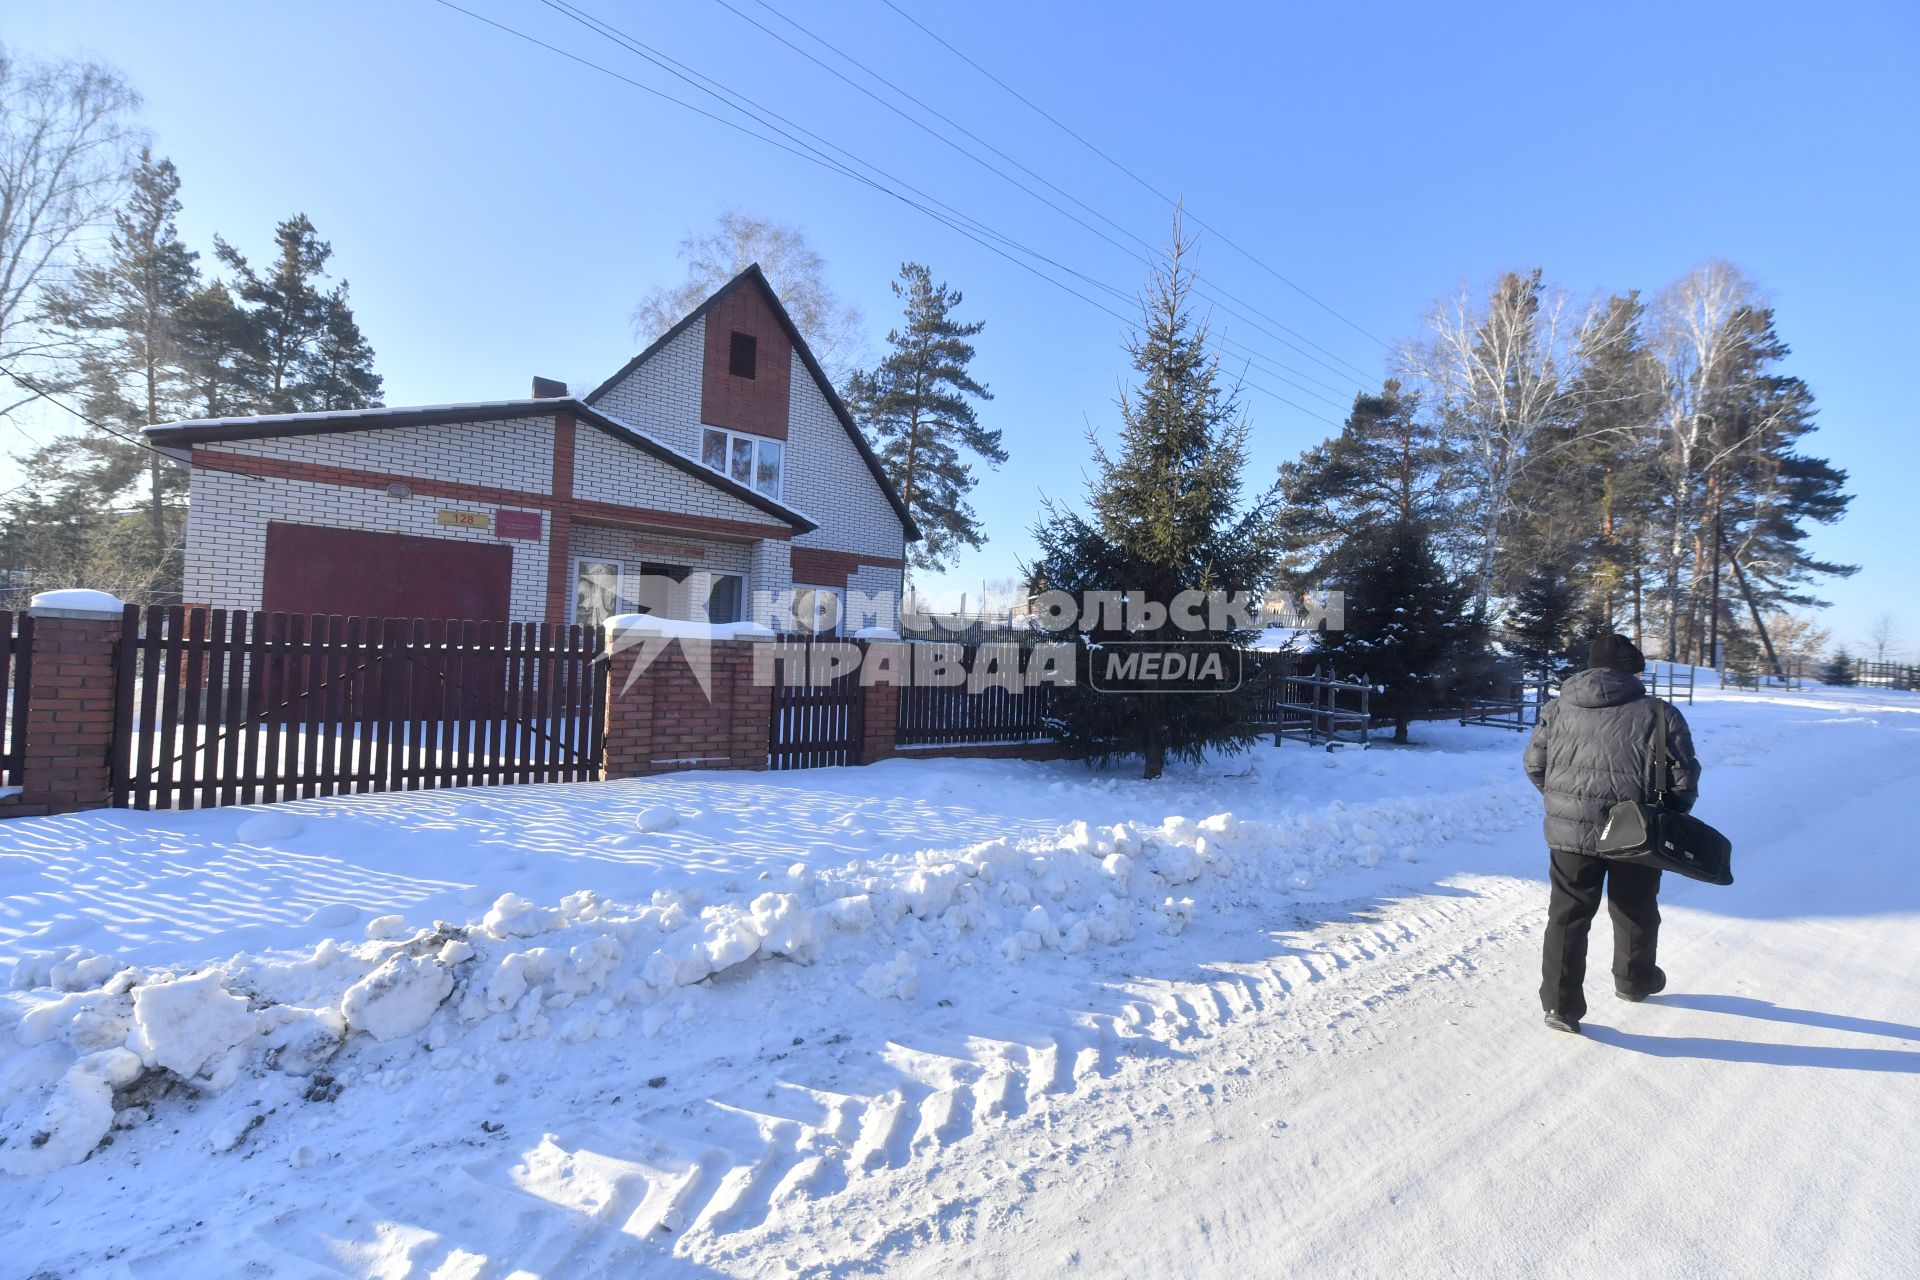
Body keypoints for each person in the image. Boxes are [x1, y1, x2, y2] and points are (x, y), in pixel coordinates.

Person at [1523, 633, 1699, 1034]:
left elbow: (1536, 765)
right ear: (1634, 671)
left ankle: (1560, 1006)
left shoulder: (1557, 708)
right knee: (1634, 905)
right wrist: (1667, 816)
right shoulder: (1659, 713)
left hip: (1570, 830)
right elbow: (1683, 778)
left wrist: (1565, 803)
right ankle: (1634, 981)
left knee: (1567, 914)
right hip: (1636, 828)